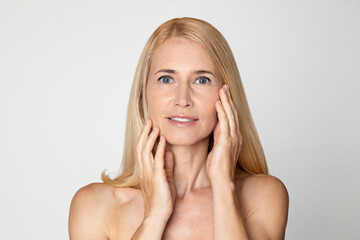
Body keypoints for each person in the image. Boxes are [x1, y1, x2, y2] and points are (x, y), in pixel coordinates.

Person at [68, 17, 289, 240]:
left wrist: (223, 184)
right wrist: (156, 215)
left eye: (201, 80)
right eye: (166, 79)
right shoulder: (95, 206)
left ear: (226, 95)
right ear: (144, 93)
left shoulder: (264, 196)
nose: (183, 99)